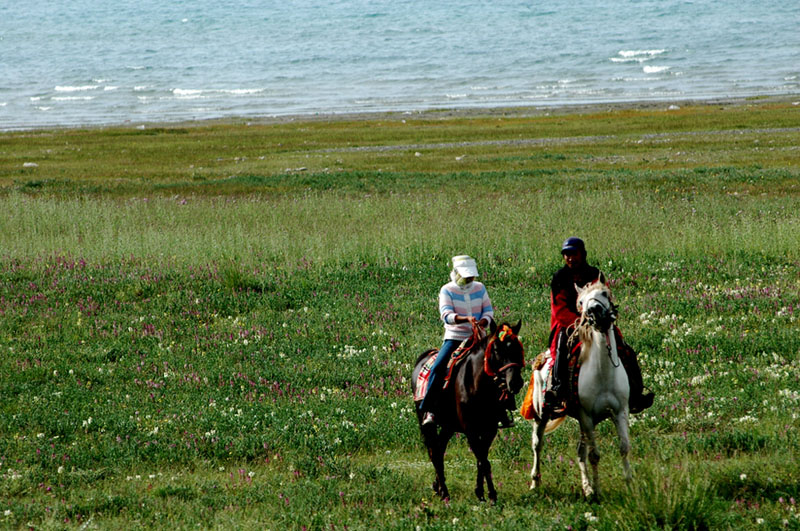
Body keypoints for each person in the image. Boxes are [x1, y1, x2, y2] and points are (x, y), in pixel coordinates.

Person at [545, 237, 654, 414]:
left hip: (597, 321)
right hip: (568, 326)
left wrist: (599, 317)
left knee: (624, 348)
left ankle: (635, 393)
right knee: (561, 349)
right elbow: (559, 310)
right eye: (567, 255)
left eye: (574, 254)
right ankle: (557, 390)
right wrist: (579, 323)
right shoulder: (560, 278)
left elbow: (604, 297)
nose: (570, 258)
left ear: (583, 254)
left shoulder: (595, 274)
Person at [420, 255, 507, 426]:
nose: (469, 279)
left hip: (479, 336)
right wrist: (465, 319)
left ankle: (502, 408)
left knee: (500, 365)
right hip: (455, 337)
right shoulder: (447, 290)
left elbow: (488, 310)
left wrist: (484, 321)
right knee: (439, 366)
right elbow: (446, 315)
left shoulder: (480, 288)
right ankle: (429, 409)